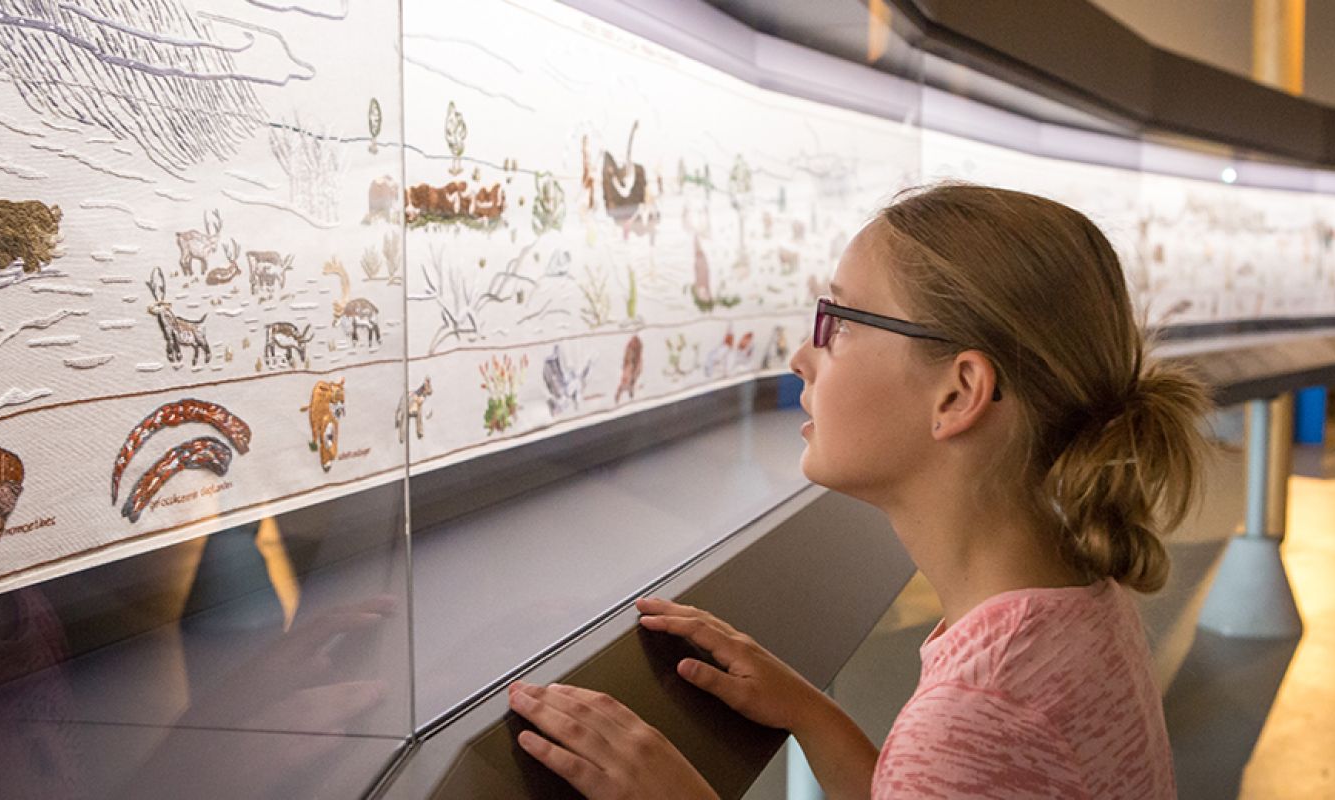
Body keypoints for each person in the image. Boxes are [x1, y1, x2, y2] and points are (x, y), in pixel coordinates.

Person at [507, 182, 1209, 799]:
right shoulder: (1072, 604)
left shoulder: (978, 711)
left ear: (957, 392)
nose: (802, 356)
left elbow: (965, 760)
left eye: (838, 323)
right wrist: (813, 716)